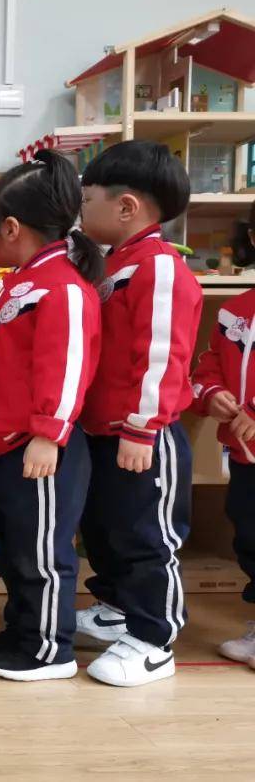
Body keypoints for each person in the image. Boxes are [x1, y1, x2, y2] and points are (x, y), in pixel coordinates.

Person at [0, 150, 102, 682]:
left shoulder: (62, 287)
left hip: (40, 450)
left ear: (10, 226)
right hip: (8, 449)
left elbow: (67, 366)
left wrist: (48, 434)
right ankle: (24, 629)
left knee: (43, 553)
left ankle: (49, 648)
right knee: (17, 547)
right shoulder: (23, 281)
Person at [76, 140, 201, 687]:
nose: (81, 211)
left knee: (147, 535)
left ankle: (155, 637)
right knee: (105, 528)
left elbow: (162, 355)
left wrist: (142, 427)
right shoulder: (117, 263)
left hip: (142, 435)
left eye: (86, 200)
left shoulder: (160, 268)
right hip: (104, 431)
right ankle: (118, 608)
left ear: (125, 206)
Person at [191, 199, 255, 667]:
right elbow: (207, 368)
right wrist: (212, 394)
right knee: (249, 535)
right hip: (244, 453)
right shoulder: (235, 312)